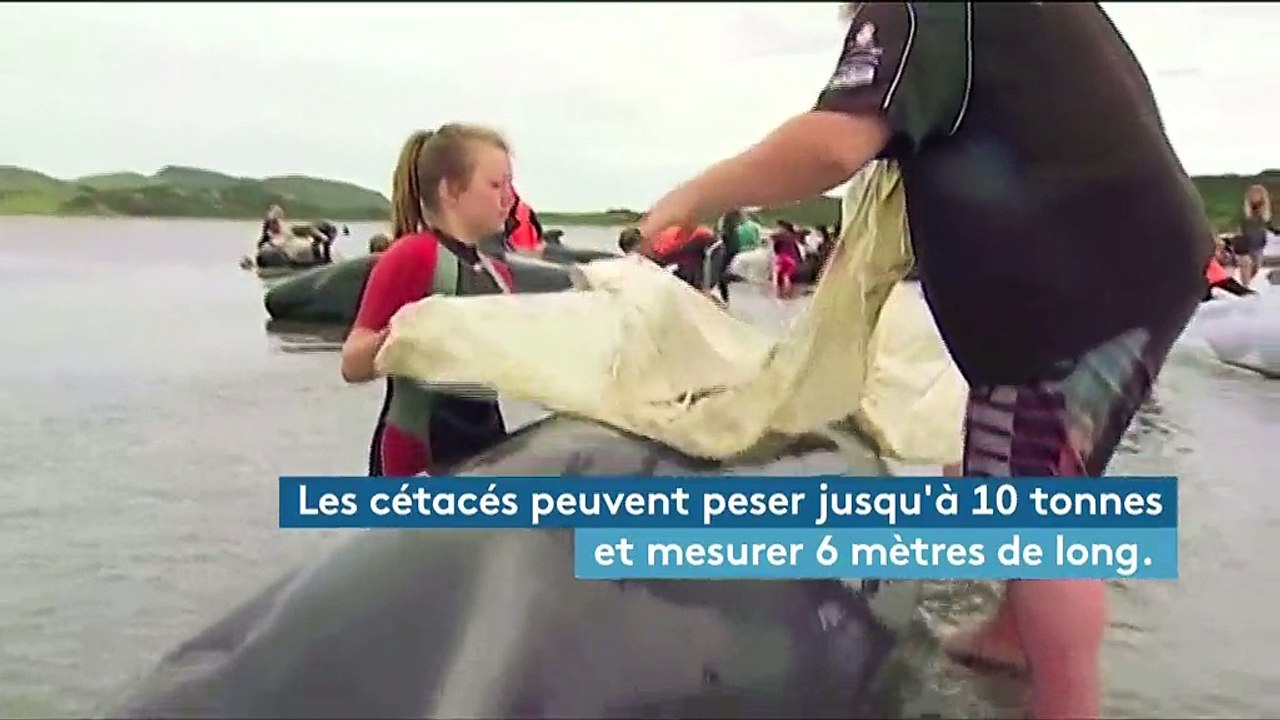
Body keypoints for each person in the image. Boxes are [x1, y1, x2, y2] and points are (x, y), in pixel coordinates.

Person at [636, 4, 1212, 717]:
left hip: (1082, 281)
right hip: (1127, 258)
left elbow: (835, 145)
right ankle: (1009, 634)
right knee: (1018, 455)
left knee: (1040, 506)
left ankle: (1067, 705)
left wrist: (695, 193)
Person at [340, 124, 517, 477]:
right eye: (496, 185)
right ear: (451, 190)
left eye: (510, 185)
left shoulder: (498, 274)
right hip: (417, 449)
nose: (509, 198)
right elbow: (352, 365)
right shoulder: (415, 256)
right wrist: (400, 334)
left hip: (486, 445)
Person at [1232, 184, 1275, 287]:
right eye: (1253, 193)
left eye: (1257, 194)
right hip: (1244, 242)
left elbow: (1268, 225)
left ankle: (1246, 285)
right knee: (1246, 265)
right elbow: (1236, 223)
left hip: (1258, 243)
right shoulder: (1243, 209)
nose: (1255, 196)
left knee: (1255, 268)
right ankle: (1245, 287)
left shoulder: (1264, 211)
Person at [714, 209, 746, 303]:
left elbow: (724, 238)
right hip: (733, 249)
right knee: (723, 273)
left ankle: (725, 299)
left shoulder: (728, 226)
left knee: (721, 275)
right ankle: (725, 297)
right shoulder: (733, 227)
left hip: (729, 250)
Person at [504, 187, 545, 255]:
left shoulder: (506, 208)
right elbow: (537, 226)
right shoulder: (525, 206)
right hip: (529, 248)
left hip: (517, 249)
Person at [769, 220, 804, 298]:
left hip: (782, 258)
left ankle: (776, 295)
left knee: (776, 275)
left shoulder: (779, 237)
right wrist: (800, 260)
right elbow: (797, 250)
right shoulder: (792, 237)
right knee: (786, 276)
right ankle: (788, 294)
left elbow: (775, 249)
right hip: (792, 260)